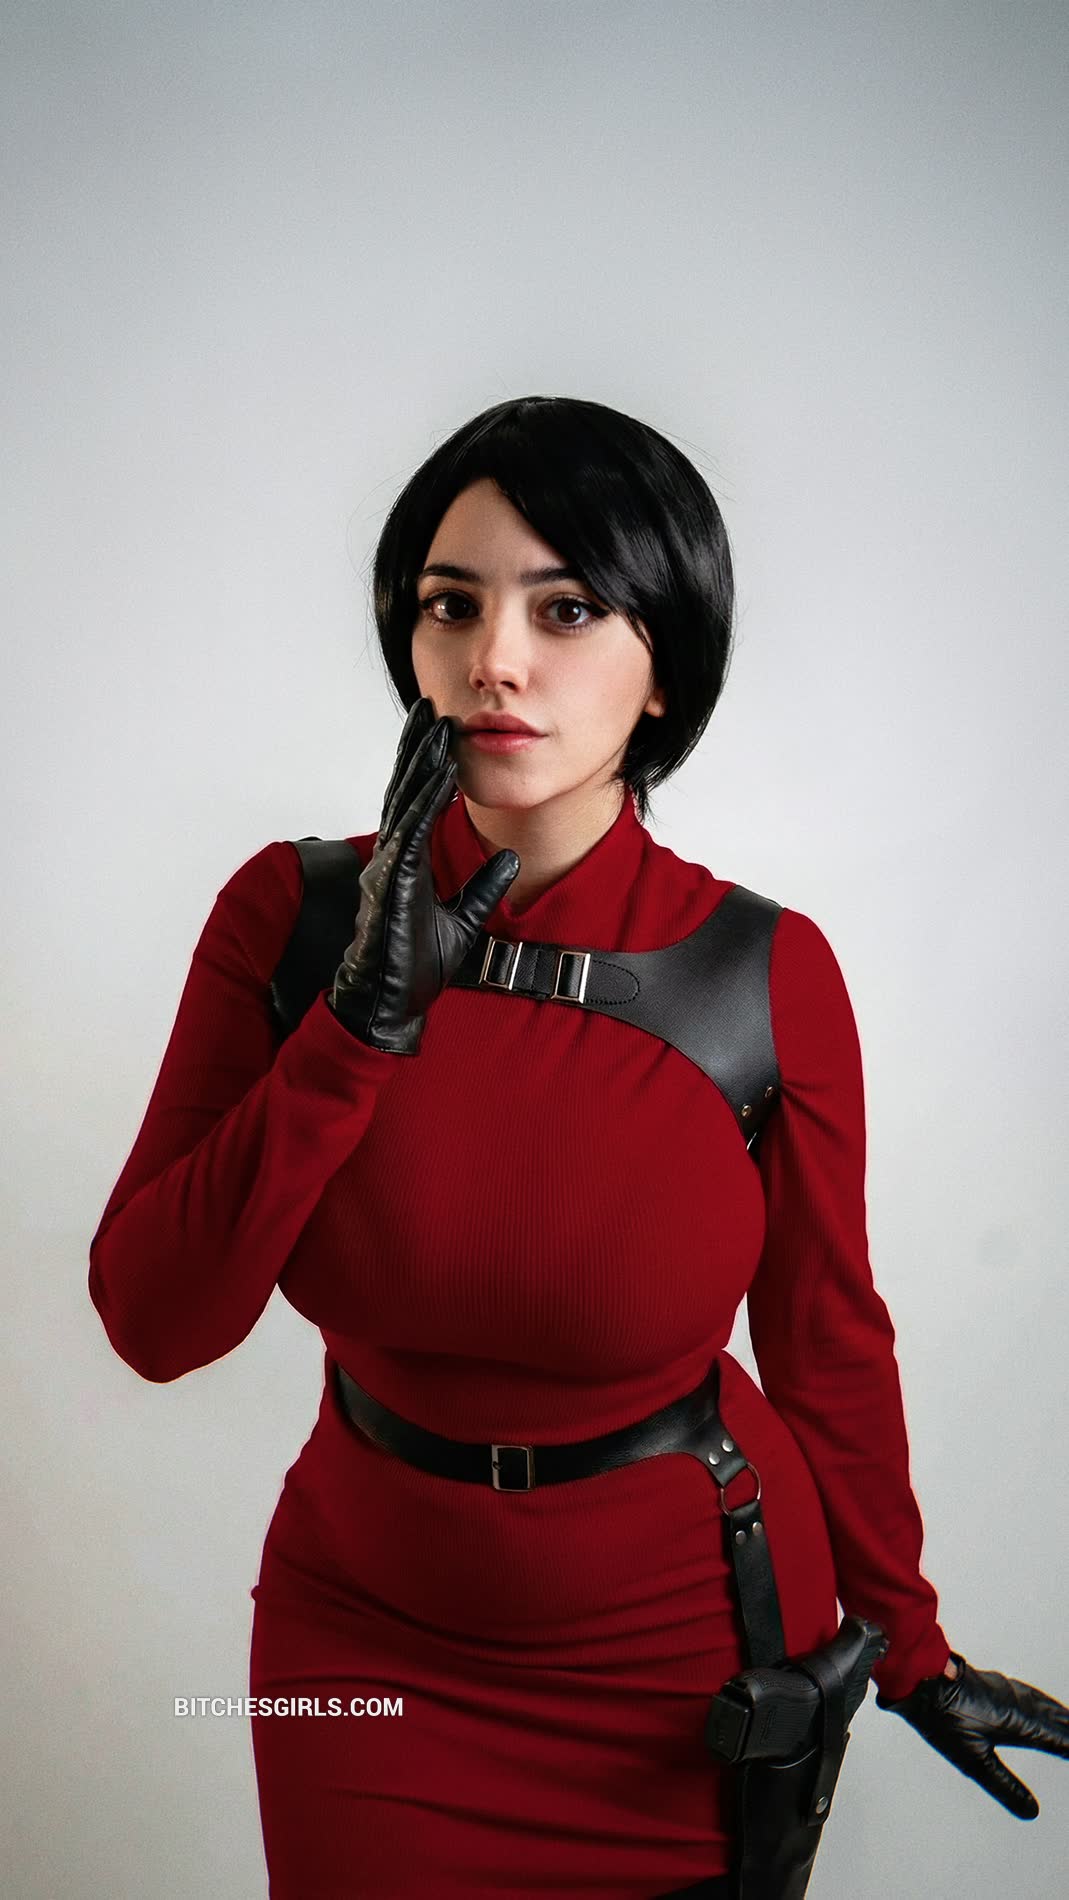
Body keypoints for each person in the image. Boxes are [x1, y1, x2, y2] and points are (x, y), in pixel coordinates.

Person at [88, 396, 1069, 1899]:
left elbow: (826, 1342)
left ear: (663, 667)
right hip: (362, 1648)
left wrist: (910, 1645)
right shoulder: (288, 919)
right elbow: (156, 1323)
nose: (495, 659)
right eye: (452, 604)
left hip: (679, 1670)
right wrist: (354, 1031)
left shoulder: (761, 975)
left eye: (565, 609)